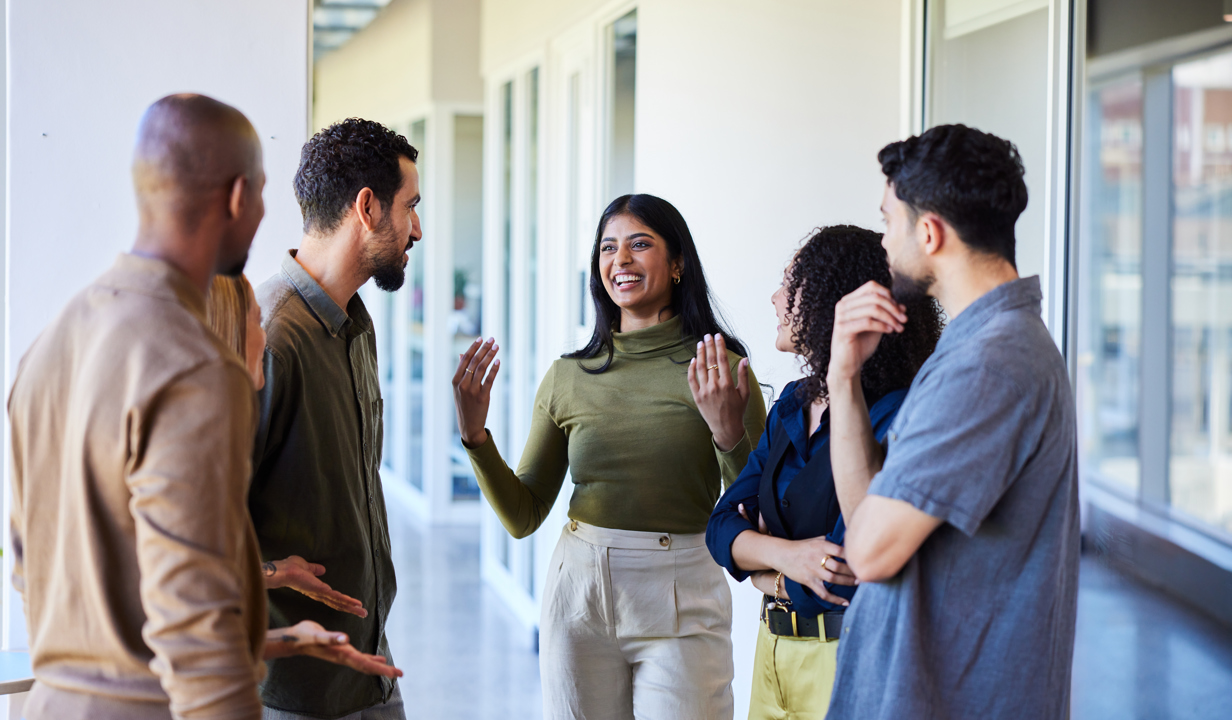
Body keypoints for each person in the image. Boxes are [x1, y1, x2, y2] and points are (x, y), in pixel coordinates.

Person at [8, 94, 392, 720]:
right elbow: (201, 635)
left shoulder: (51, 344)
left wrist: (283, 638)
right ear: (240, 196)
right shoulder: (194, 367)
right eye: (263, 196)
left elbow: (43, 578)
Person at [453, 193, 767, 720]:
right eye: (608, 248)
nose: (619, 260)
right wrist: (475, 436)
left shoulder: (721, 369)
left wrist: (728, 433)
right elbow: (523, 514)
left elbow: (753, 511)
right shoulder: (568, 376)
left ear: (677, 263)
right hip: (578, 592)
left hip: (684, 589)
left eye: (639, 244)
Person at [823, 125, 1079, 719]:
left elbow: (869, 551)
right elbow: (872, 520)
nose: (884, 242)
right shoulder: (980, 348)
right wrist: (844, 379)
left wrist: (866, 536)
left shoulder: (989, 365)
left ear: (929, 232)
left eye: (889, 221)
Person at [703, 226, 942, 720]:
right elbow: (721, 524)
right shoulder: (792, 403)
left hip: (843, 657)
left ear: (830, 300)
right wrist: (786, 558)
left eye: (789, 284)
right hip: (770, 652)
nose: (774, 298)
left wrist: (758, 566)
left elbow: (843, 576)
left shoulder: (895, 416)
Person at [250, 118, 421, 720]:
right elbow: (193, 521)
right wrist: (268, 571)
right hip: (293, 693)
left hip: (366, 668)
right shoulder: (270, 336)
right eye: (411, 208)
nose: (417, 230)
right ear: (368, 208)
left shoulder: (356, 324)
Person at [206, 275, 375, 618]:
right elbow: (178, 570)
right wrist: (273, 573)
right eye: (256, 320)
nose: (266, 332)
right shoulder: (191, 453)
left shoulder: (358, 324)